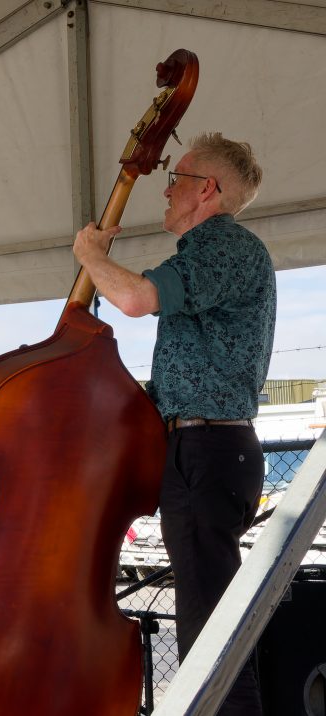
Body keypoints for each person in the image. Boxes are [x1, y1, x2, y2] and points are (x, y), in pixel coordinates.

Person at [73, 132, 274, 715]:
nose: (166, 190)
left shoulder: (220, 245)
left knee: (209, 642)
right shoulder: (214, 254)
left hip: (206, 450)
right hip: (209, 448)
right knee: (207, 630)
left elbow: (136, 299)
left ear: (206, 190)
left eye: (176, 179)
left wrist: (91, 255)